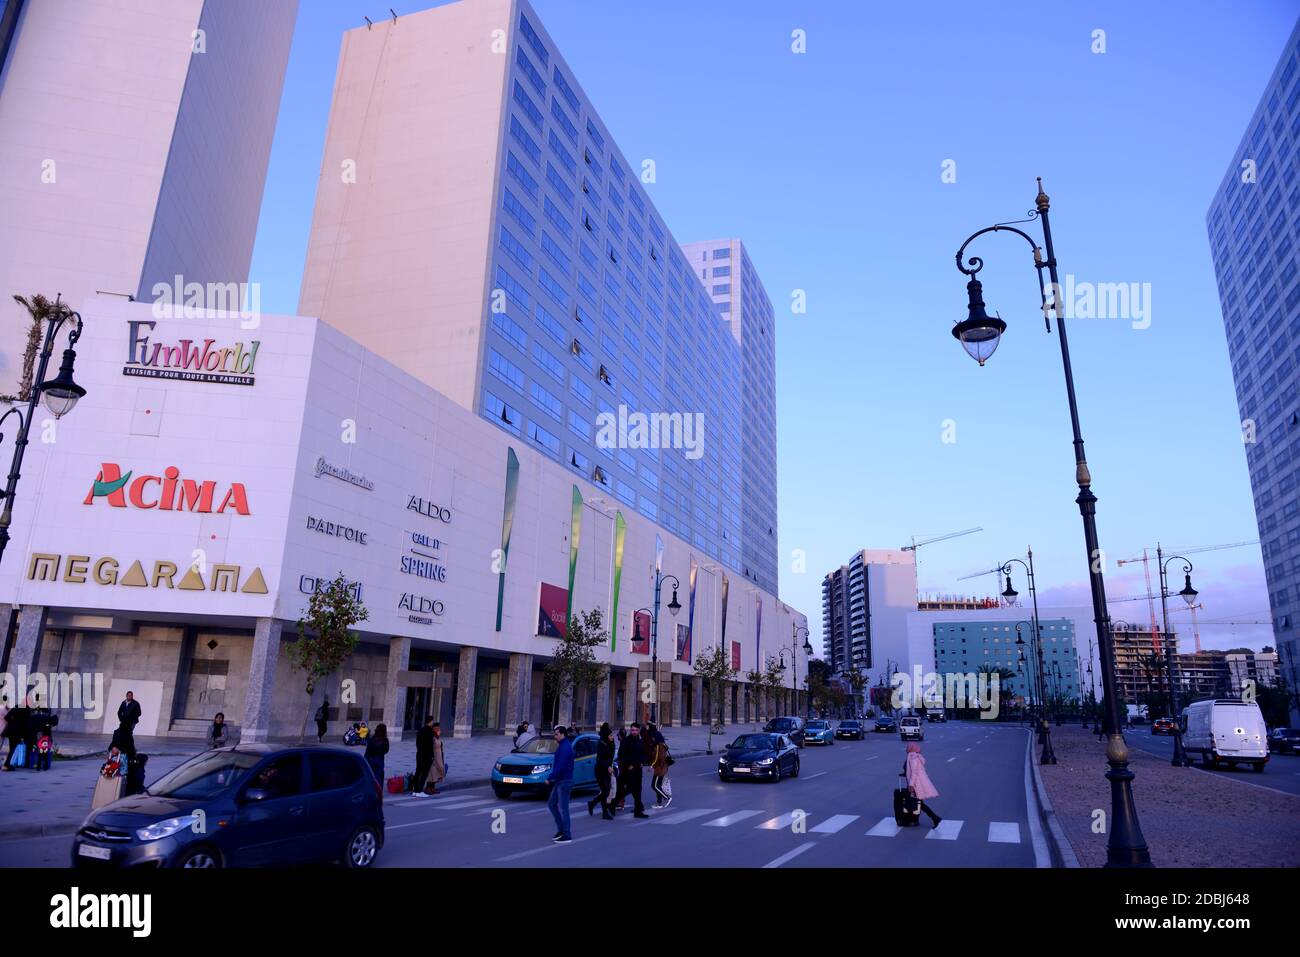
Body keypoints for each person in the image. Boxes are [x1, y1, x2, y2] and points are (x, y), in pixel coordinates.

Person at [612, 721, 648, 818]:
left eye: (636, 730)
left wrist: (642, 763)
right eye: (632, 730)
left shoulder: (640, 741)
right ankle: (613, 804)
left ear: (639, 730)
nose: (634, 732)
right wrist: (629, 764)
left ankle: (638, 811)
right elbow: (621, 755)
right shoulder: (626, 741)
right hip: (629, 770)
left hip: (638, 770)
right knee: (629, 789)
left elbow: (643, 754)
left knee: (638, 790)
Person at [546, 725, 575, 843]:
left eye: (556, 734)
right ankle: (561, 829)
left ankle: (567, 834)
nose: (555, 736)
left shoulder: (565, 747)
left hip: (565, 781)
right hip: (560, 781)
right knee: (551, 804)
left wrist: (550, 777)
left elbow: (561, 765)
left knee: (564, 808)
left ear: (562, 734)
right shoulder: (562, 745)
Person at [902, 742, 942, 827]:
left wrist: (911, 785)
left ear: (911, 748)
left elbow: (914, 772)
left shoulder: (913, 757)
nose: (906, 748)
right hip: (916, 783)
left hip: (916, 784)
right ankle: (916, 820)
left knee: (915, 802)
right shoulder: (916, 756)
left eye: (908, 747)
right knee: (918, 803)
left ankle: (934, 818)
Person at [587, 722, 616, 819]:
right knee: (605, 791)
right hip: (600, 771)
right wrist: (607, 766)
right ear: (606, 736)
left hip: (607, 770)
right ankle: (604, 813)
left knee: (606, 792)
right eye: (611, 735)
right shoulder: (601, 744)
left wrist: (610, 767)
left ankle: (592, 803)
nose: (613, 737)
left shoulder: (610, 744)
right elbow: (600, 759)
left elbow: (611, 758)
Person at [412, 715, 436, 796]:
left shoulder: (420, 730)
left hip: (419, 754)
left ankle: (415, 790)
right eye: (432, 721)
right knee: (424, 773)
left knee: (418, 772)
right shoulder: (430, 731)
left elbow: (417, 743)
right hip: (427, 756)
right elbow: (430, 745)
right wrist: (432, 755)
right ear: (430, 722)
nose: (433, 722)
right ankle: (419, 790)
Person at [649, 722, 671, 808]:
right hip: (661, 768)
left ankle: (666, 797)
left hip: (660, 768)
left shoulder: (659, 746)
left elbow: (657, 758)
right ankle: (659, 803)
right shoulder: (661, 745)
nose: (652, 739)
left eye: (653, 738)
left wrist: (651, 766)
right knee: (657, 785)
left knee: (654, 785)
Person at [2, 699, 29, 771]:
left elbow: (6, 718)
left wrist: (13, 721)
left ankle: (9, 763)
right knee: (13, 748)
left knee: (12, 747)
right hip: (19, 731)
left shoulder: (16, 707)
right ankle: (7, 764)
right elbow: (27, 723)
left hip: (11, 731)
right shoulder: (27, 710)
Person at [365, 723, 389, 789]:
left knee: (371, 775)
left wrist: (365, 759)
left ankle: (371, 789)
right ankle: (378, 790)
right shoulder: (385, 740)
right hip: (379, 760)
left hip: (371, 759)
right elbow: (386, 750)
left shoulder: (372, 739)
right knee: (379, 776)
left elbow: (368, 751)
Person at [425, 721, 446, 794]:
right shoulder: (432, 738)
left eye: (439, 730)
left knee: (437, 773)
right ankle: (428, 788)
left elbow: (441, 748)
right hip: (433, 757)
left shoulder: (438, 738)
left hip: (439, 757)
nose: (439, 731)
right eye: (437, 730)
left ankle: (433, 788)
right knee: (432, 773)